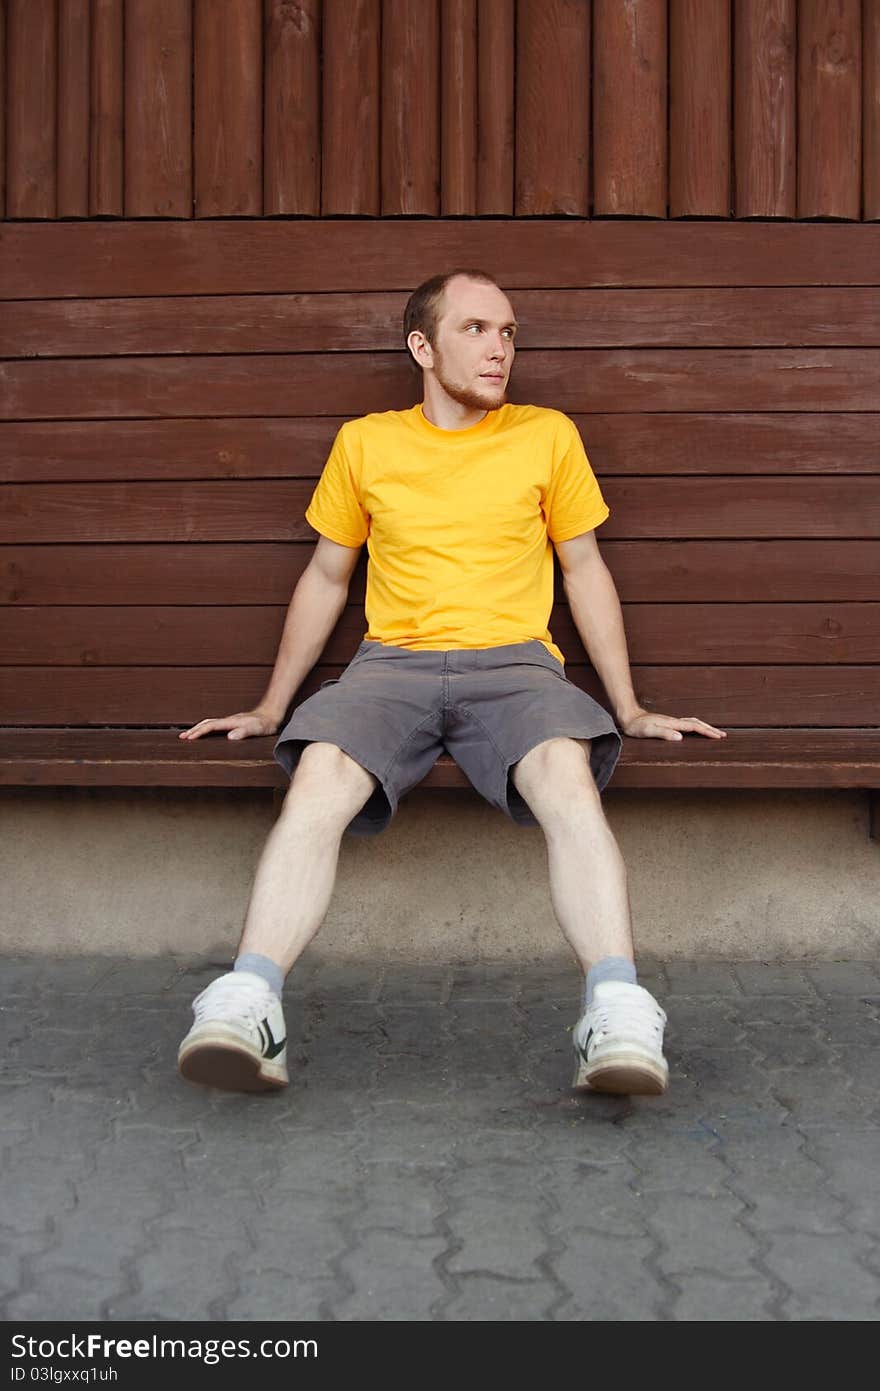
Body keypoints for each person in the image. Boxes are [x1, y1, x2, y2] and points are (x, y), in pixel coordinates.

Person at [176, 269, 727, 1098]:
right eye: (476, 330)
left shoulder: (547, 435)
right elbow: (328, 577)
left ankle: (616, 1008)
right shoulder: (367, 443)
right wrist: (269, 705)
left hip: (515, 664)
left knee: (565, 775)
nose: (500, 349)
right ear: (422, 347)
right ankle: (250, 1001)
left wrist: (630, 706)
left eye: (508, 332)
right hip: (389, 665)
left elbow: (584, 570)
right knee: (321, 774)